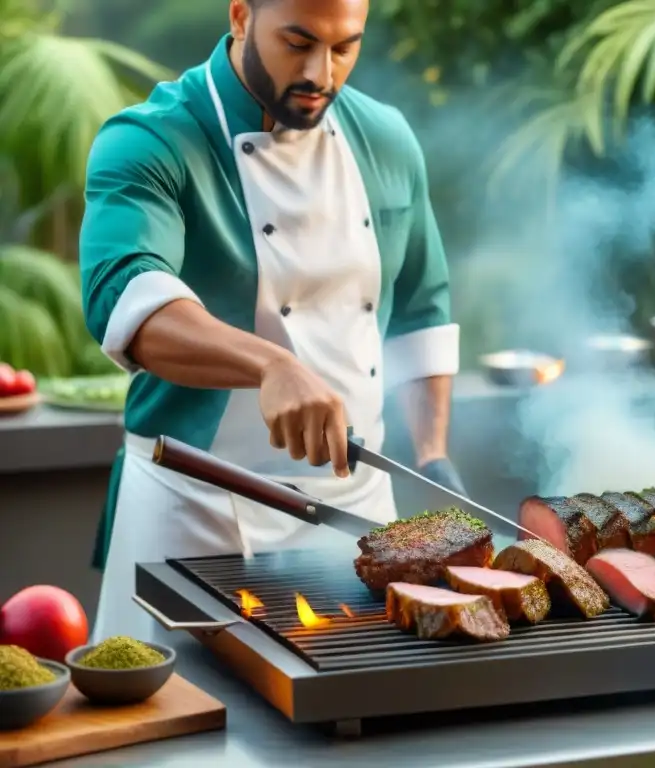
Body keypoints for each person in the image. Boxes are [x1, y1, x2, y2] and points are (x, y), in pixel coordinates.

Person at [79, 0, 465, 642]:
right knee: (177, 732)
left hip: (358, 514)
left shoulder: (388, 138)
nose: (322, 72)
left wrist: (431, 455)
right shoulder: (151, 138)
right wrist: (273, 365)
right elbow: (125, 298)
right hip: (196, 504)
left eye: (345, 47)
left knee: (349, 726)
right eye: (299, 41)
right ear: (239, 16)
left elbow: (423, 311)